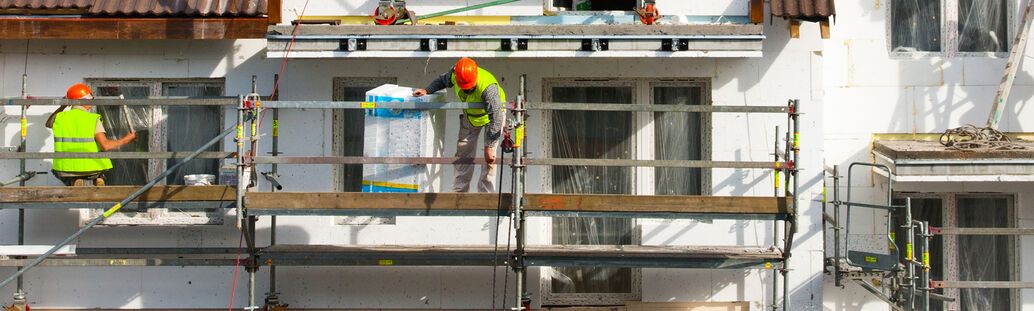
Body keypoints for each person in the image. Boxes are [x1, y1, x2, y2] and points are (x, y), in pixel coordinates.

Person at [413, 58, 506, 192]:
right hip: (471, 117)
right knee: (463, 156)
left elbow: (496, 118)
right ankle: (459, 196)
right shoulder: (455, 74)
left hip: (492, 118)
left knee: (490, 160)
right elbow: (441, 81)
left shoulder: (488, 87)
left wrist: (489, 147)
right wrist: (427, 90)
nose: (467, 90)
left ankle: (486, 196)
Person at [45, 83, 137, 186]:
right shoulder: (92, 119)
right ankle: (99, 179)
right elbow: (105, 145)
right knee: (101, 166)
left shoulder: (59, 117)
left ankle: (75, 180)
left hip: (64, 169)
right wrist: (127, 139)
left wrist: (63, 106)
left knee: (68, 174)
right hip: (91, 168)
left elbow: (48, 123)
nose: (91, 103)